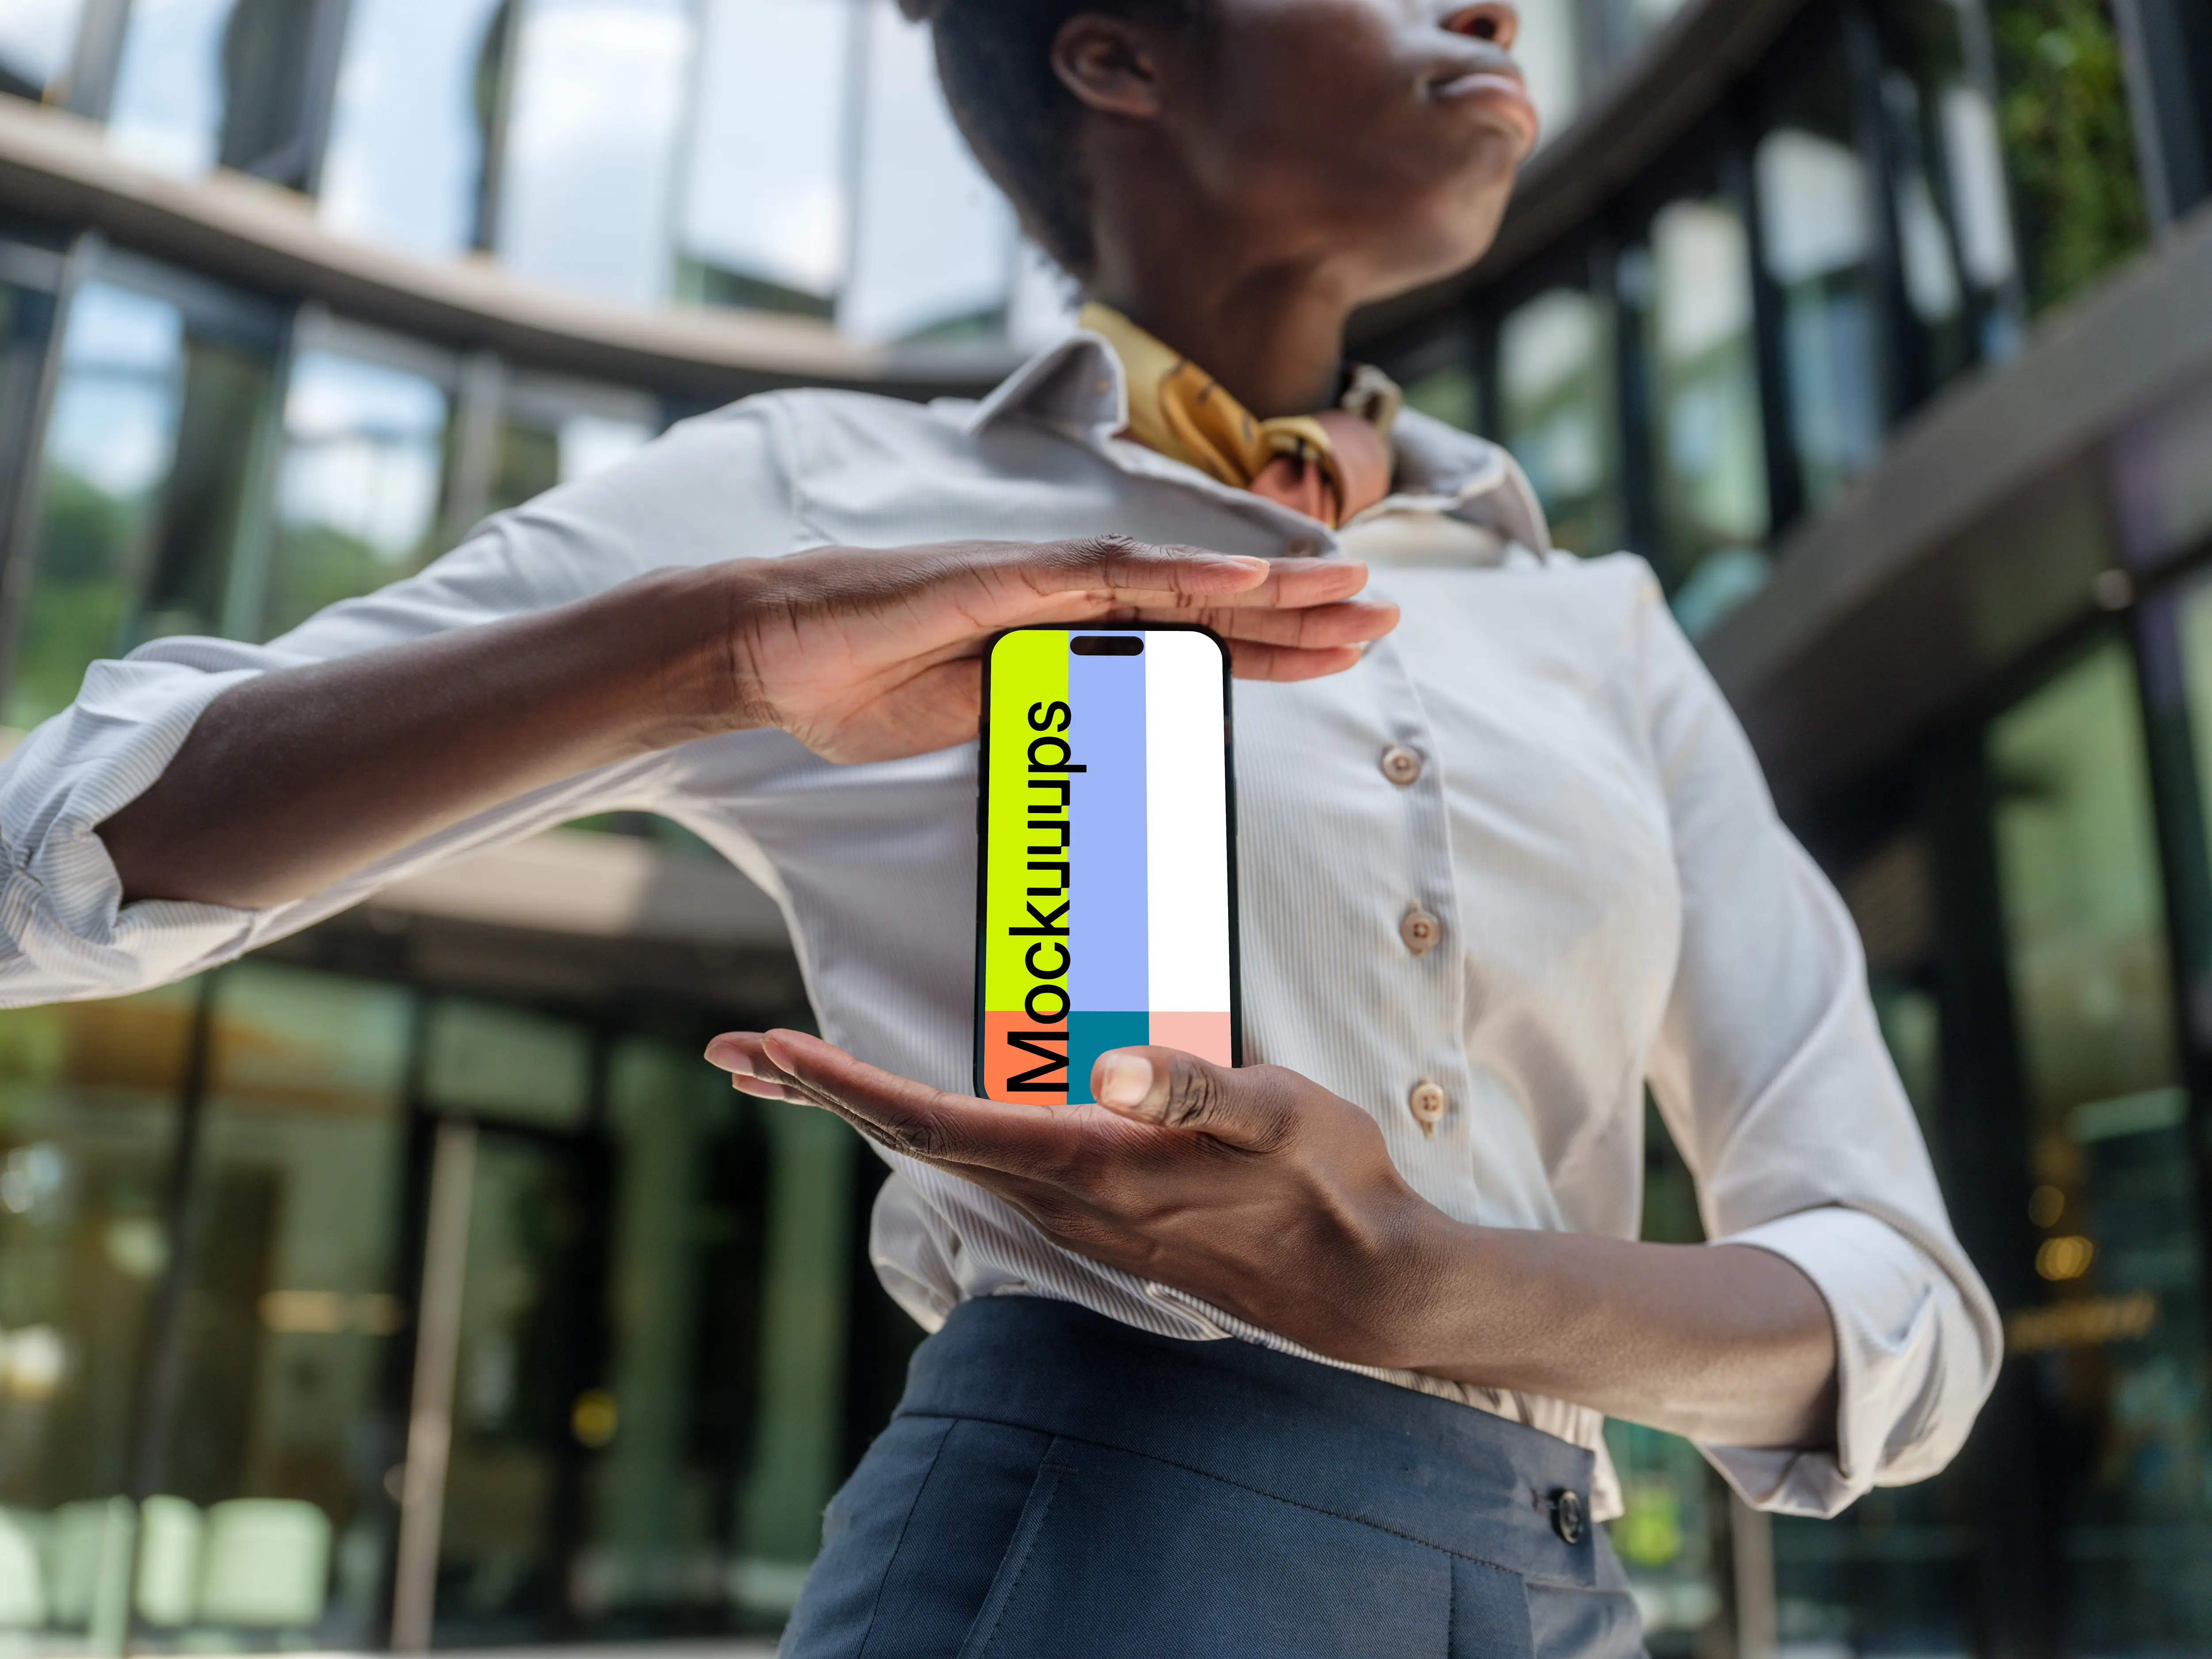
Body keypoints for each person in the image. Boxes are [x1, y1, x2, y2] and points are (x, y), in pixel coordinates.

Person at [0, 0, 1998, 1651]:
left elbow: (1896, 1310)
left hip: (1573, 1582)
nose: (1481, 5)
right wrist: (710, 652)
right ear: (1114, 55)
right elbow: (53, 854)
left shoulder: (1595, 625)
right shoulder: (813, 484)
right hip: (1089, 1550)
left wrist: (1417, 1281)